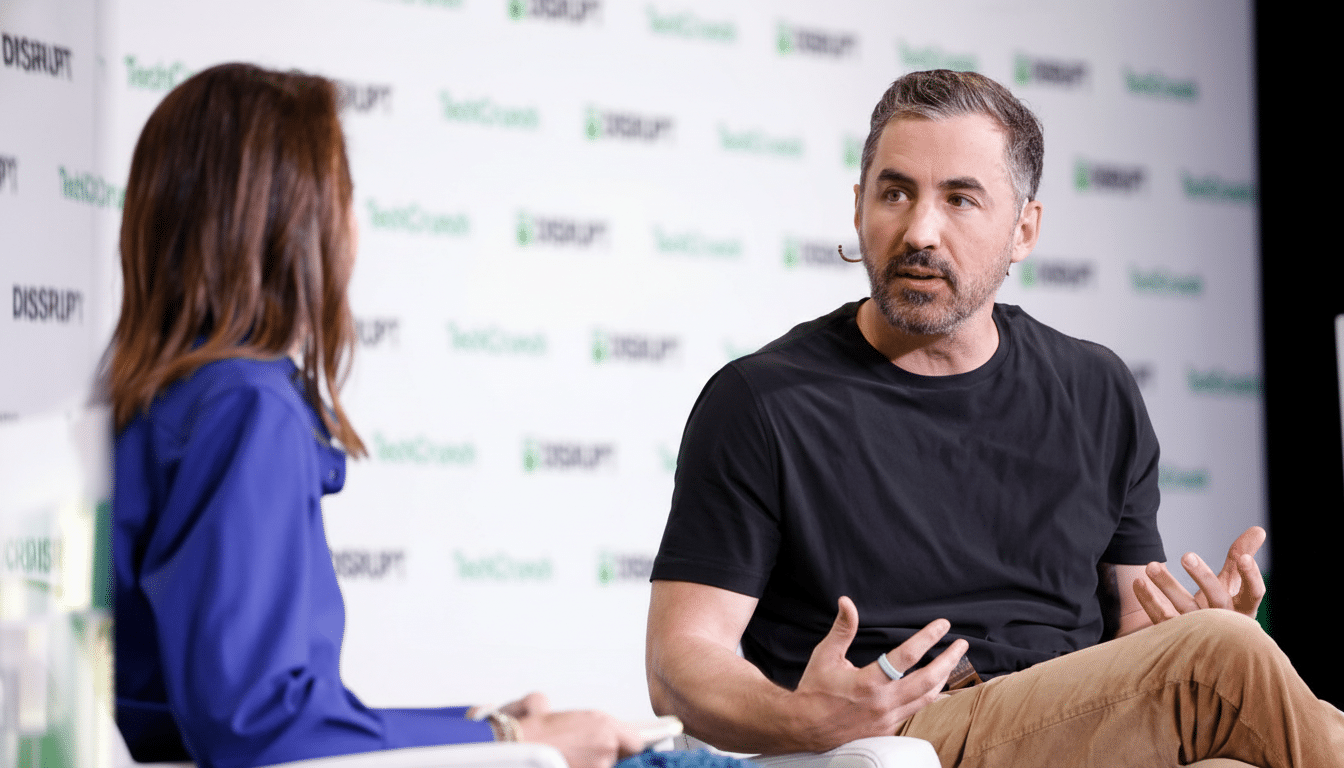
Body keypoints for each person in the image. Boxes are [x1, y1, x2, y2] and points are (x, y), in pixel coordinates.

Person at [645, 69, 1344, 767]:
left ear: (1024, 230)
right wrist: (804, 718)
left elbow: (1138, 628)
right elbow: (679, 664)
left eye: (960, 200)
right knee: (1220, 663)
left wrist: (1195, 631)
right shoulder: (763, 401)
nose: (919, 230)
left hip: (1078, 720)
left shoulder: (1095, 387)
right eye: (895, 193)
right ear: (859, 209)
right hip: (907, 730)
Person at [108, 63, 647, 768]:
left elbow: (240, 713)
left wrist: (478, 725)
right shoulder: (245, 406)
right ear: (293, 221)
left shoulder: (165, 397)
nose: (354, 227)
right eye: (346, 196)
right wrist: (519, 744)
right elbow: (260, 731)